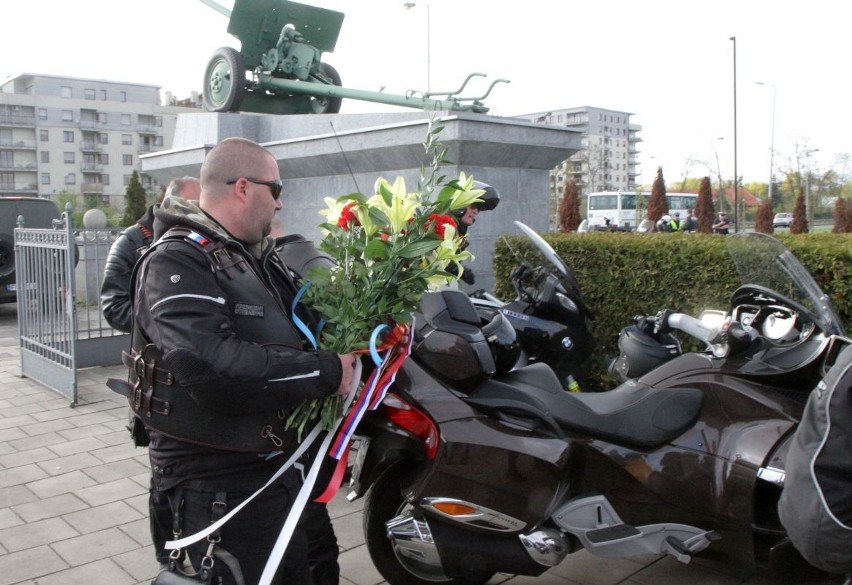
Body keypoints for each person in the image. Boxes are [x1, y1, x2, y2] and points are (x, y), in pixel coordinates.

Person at [125, 137, 358, 584]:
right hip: (218, 486)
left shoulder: (254, 256)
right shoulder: (177, 258)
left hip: (275, 469)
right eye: (277, 189)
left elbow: (306, 328)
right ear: (244, 187)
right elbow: (208, 367)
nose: (282, 203)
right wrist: (328, 371)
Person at [100, 175, 200, 567]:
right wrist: (169, 326)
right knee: (164, 478)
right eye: (194, 205)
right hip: (154, 376)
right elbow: (112, 306)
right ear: (170, 203)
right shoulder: (131, 242)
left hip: (191, 380)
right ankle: (168, 559)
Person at [270, 218, 342, 585]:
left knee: (305, 516)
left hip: (295, 414)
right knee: (311, 512)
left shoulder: (279, 267)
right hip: (316, 410)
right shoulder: (318, 262)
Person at [449, 181, 500, 285]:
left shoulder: (458, 231)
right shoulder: (440, 225)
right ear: (459, 206)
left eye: (479, 208)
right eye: (473, 206)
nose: (476, 212)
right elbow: (433, 256)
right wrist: (458, 270)